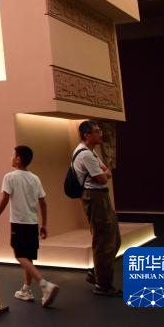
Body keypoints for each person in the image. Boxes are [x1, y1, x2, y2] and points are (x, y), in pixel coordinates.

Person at [0, 145, 60, 307]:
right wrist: (44, 224)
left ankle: (44, 284)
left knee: (19, 255)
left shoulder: (10, 177)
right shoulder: (35, 178)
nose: (11, 157)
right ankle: (26, 289)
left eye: (12, 155)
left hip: (19, 223)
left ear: (18, 159)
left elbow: (4, 199)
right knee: (28, 257)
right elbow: (43, 203)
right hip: (33, 223)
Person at [74, 119, 122, 296]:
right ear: (86, 135)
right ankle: (103, 284)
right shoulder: (85, 155)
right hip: (95, 197)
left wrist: (105, 173)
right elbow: (102, 177)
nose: (100, 134)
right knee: (103, 240)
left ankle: (97, 271)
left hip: (100, 197)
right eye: (96, 131)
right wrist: (105, 173)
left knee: (114, 239)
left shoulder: (91, 152)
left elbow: (105, 170)